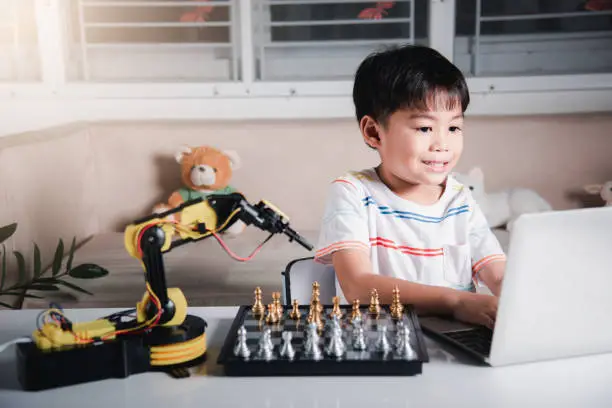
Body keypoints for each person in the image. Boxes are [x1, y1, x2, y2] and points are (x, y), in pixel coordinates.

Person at [314, 44, 506, 329]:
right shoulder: (353, 192)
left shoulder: (460, 200)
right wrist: (456, 302)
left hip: (456, 340)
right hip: (382, 343)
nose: (442, 144)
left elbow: (500, 277)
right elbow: (357, 285)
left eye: (454, 128)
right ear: (373, 132)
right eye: (424, 128)